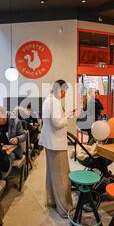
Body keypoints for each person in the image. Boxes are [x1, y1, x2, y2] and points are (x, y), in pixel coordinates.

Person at [39, 79, 75, 218]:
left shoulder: (48, 100)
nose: (65, 94)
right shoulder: (54, 101)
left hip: (50, 143)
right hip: (56, 144)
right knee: (62, 177)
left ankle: (52, 201)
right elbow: (57, 123)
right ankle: (64, 209)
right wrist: (68, 116)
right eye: (64, 91)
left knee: (52, 175)